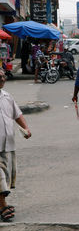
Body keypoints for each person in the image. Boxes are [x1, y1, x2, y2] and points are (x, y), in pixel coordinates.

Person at [0, 72, 31, 222]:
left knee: (5, 176)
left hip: (7, 143)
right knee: (0, 175)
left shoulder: (7, 96)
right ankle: (2, 205)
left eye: (3, 76)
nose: (2, 79)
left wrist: (26, 128)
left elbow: (16, 114)